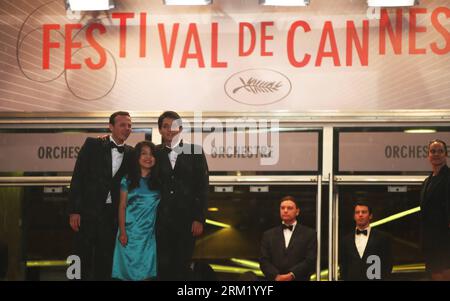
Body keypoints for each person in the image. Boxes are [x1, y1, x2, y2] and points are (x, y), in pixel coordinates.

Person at [68, 111, 133, 280]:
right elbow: (78, 177)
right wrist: (75, 210)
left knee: (105, 260)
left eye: (129, 125)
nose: (127, 128)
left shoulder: (132, 153)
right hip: (87, 213)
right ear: (110, 127)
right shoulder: (92, 145)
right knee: (80, 257)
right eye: (122, 125)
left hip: (112, 216)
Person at [155, 111, 209, 281]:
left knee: (181, 266)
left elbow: (202, 187)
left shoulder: (195, 151)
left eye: (174, 126)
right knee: (161, 266)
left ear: (181, 129)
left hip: (187, 221)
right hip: (158, 221)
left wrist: (199, 218)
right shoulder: (152, 152)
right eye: (165, 126)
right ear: (160, 130)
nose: (170, 130)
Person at [112, 141, 160, 281]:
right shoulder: (127, 180)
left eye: (151, 154)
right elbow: (122, 207)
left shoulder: (158, 182)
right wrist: (122, 232)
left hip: (149, 236)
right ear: (137, 157)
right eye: (144, 153)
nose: (148, 157)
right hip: (128, 234)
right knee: (126, 275)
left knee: (147, 275)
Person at [260, 196, 317, 281]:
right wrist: (276, 276)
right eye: (282, 208)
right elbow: (263, 260)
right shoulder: (268, 235)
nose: (285, 210)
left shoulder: (309, 234)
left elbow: (310, 259)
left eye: (289, 208)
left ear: (297, 212)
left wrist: (292, 275)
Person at [420, 139, 450, 280]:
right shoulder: (427, 181)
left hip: (446, 238)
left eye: (440, 151)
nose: (436, 154)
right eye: (433, 151)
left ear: (446, 155)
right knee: (435, 274)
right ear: (428, 155)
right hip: (431, 239)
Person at [339, 201, 392, 281]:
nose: (360, 215)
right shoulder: (345, 240)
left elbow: (387, 264)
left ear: (370, 216)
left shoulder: (383, 238)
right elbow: (343, 266)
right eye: (357, 212)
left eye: (364, 212)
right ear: (354, 216)